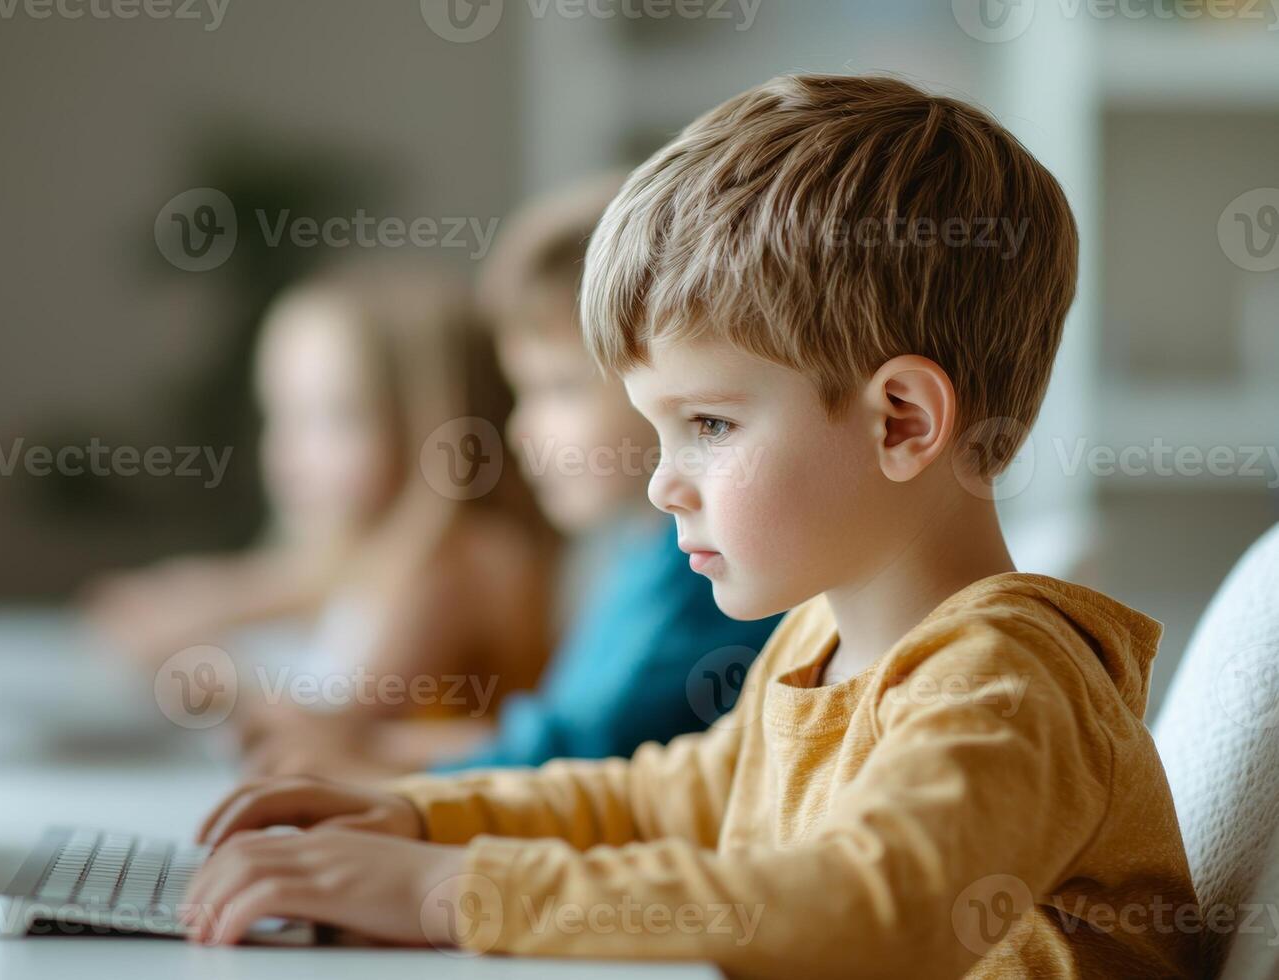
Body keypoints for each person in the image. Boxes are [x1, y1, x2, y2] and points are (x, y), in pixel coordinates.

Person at [176, 74, 1203, 978]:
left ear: (904, 421)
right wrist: (415, 818)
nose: (665, 482)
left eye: (708, 423)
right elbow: (662, 800)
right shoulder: (817, 643)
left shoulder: (1007, 682)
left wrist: (450, 889)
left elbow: (870, 910)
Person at [242, 176, 781, 780]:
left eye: (560, 388)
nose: (520, 431)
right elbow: (560, 735)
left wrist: (369, 765)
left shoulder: (705, 579)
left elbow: (578, 759)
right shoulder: (636, 556)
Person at [86, 260, 555, 729]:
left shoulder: (461, 562)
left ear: (432, 429)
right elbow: (270, 586)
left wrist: (212, 680)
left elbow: (349, 728)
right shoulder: (366, 550)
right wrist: (183, 600)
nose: (290, 452)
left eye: (335, 417)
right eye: (280, 414)